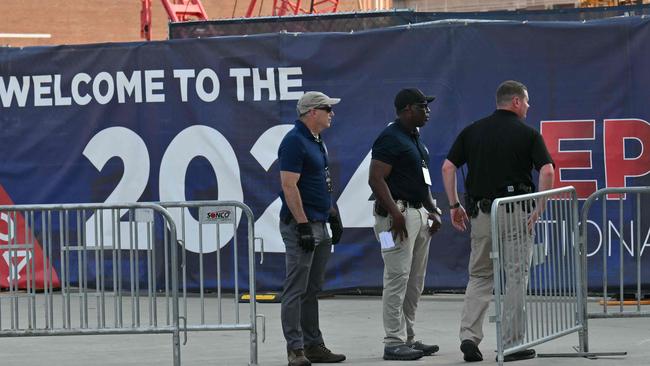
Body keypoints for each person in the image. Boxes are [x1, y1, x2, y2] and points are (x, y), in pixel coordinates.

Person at [441, 80, 555, 363]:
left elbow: (448, 167)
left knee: (480, 275)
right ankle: (512, 344)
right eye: (526, 101)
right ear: (515, 101)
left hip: (482, 214)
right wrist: (539, 207)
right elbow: (548, 170)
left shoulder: (472, 132)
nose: (528, 106)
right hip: (516, 212)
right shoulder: (527, 134)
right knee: (516, 277)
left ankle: (469, 337)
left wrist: (454, 204)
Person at [368, 88, 442, 361]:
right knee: (396, 277)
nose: (429, 111)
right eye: (424, 106)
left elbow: (422, 182)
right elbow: (375, 179)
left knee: (415, 281)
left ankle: (409, 337)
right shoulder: (390, 137)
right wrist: (395, 215)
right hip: (392, 220)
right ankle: (392, 340)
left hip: (417, 215)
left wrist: (433, 211)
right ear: (408, 109)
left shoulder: (414, 139)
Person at [278, 91, 346, 366]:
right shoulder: (294, 141)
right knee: (296, 288)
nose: (332, 113)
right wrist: (303, 224)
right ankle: (295, 349)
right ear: (311, 112)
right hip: (302, 225)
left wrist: (332, 213)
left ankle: (313, 344)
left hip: (318, 222)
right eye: (327, 108)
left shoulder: (317, 141)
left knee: (312, 288)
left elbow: (320, 182)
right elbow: (288, 185)